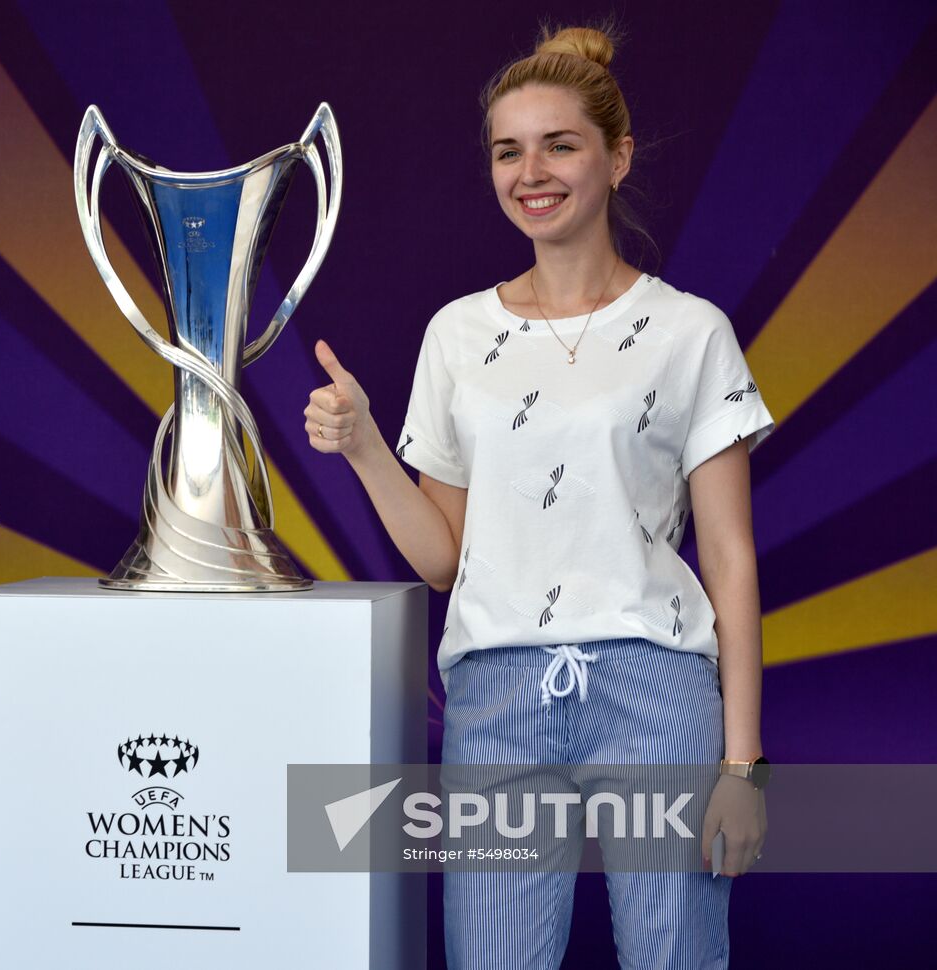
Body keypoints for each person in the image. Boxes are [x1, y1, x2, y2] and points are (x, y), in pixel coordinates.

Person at [305, 26, 772, 968]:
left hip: (656, 684)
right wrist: (362, 447)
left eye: (559, 144)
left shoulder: (690, 333)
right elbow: (444, 558)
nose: (533, 172)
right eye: (508, 151)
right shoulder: (457, 334)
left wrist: (742, 765)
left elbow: (728, 558)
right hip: (498, 690)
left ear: (616, 156)